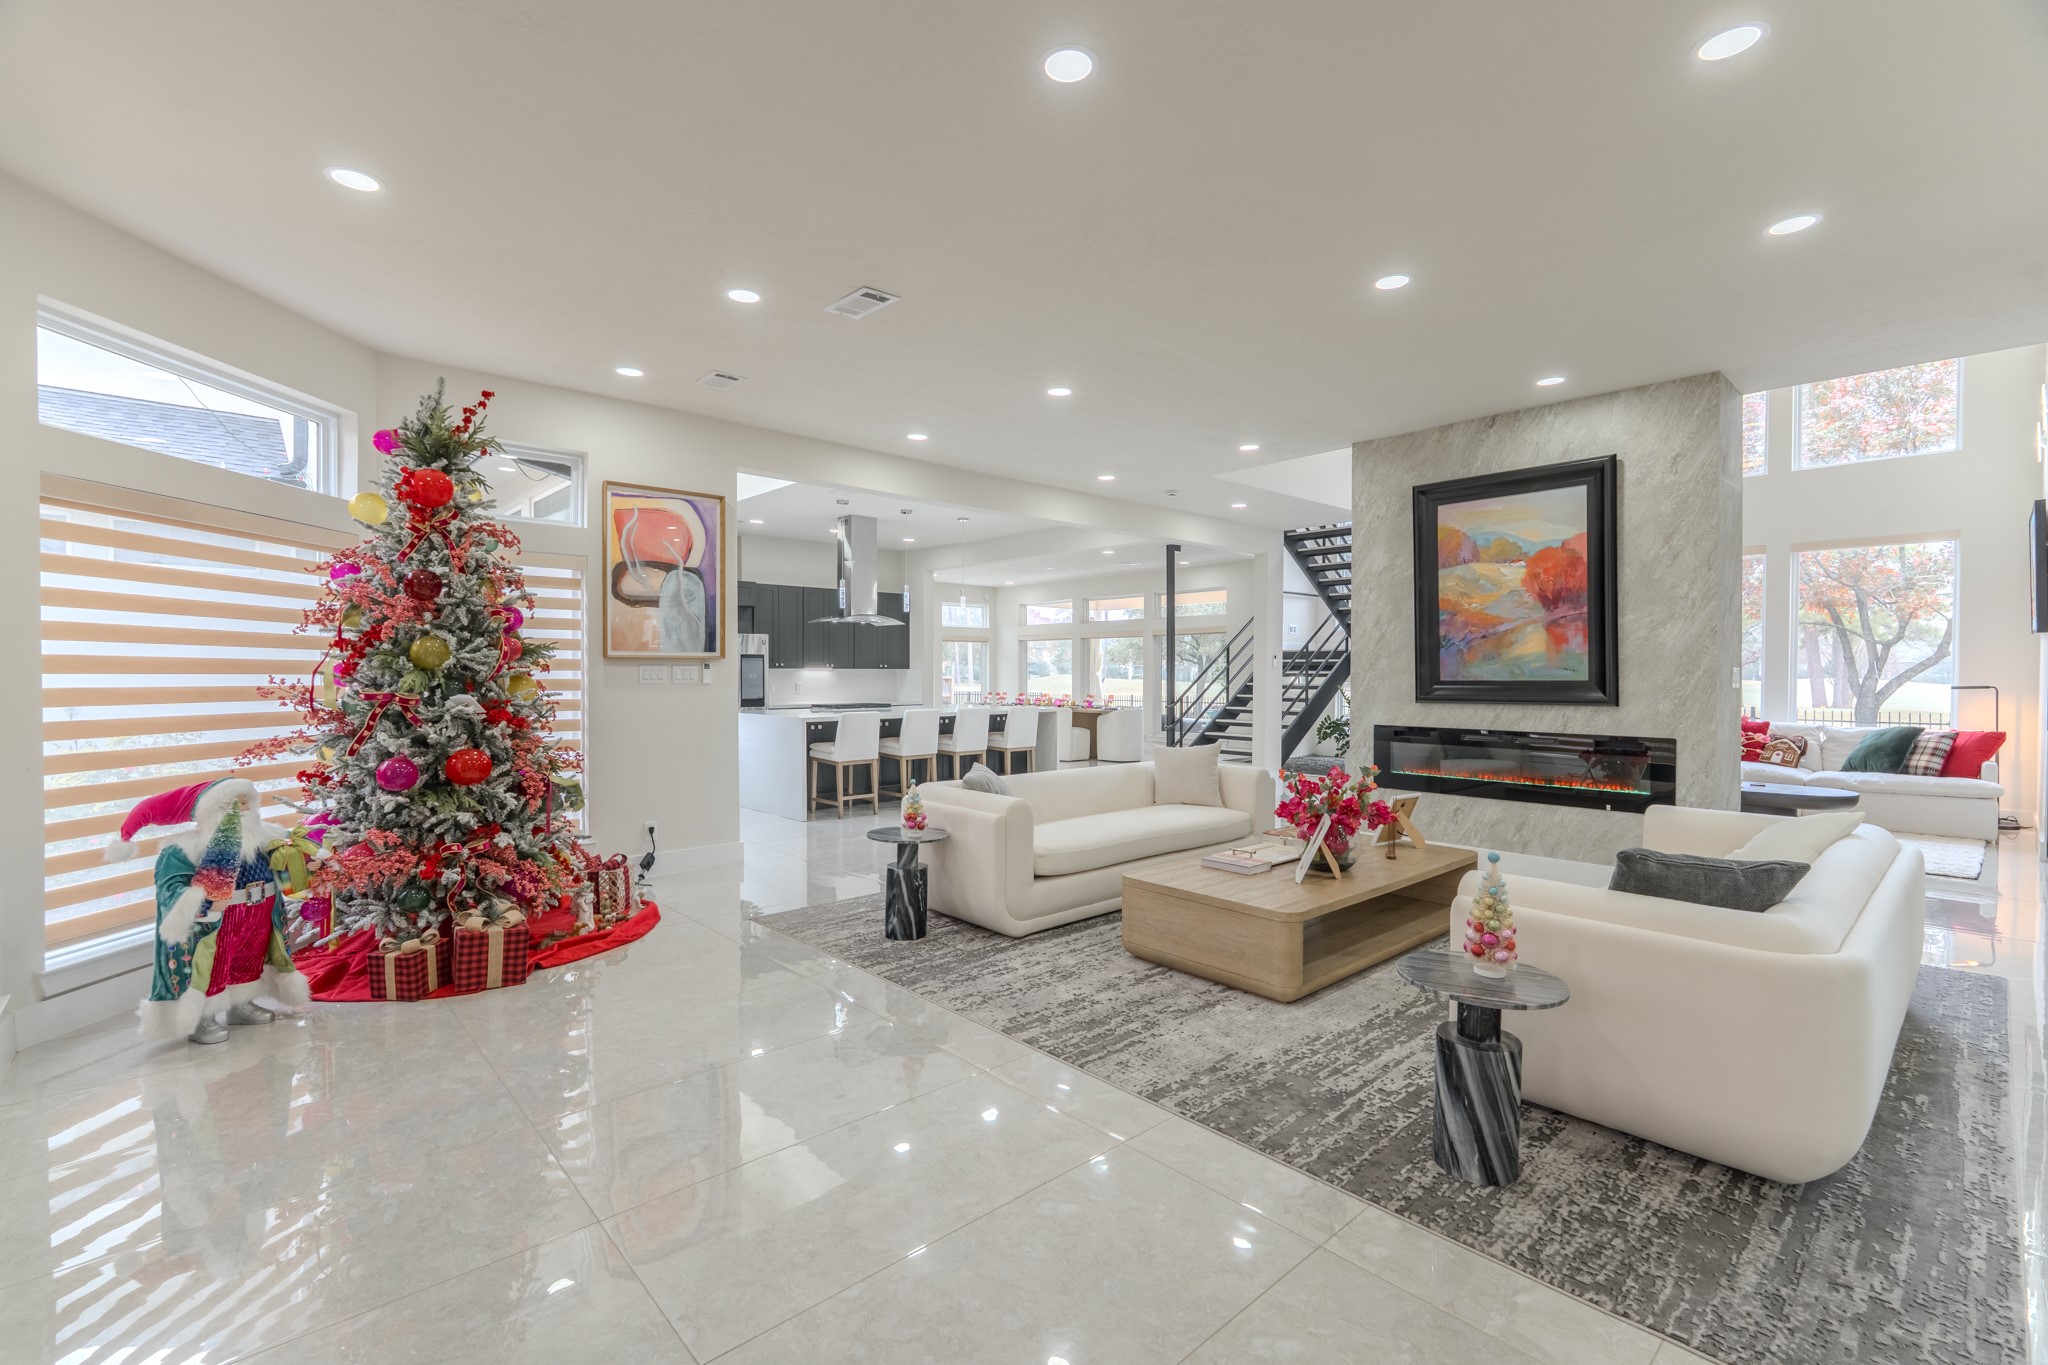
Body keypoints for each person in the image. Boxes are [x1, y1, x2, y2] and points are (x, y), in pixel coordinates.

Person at [106, 777, 314, 1043]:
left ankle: (242, 1003)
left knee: (249, 962)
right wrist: (204, 903)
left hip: (259, 915)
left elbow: (288, 861)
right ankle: (201, 1017)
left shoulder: (269, 837)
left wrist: (307, 866)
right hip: (218, 920)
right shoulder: (184, 849)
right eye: (233, 804)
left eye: (245, 802)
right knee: (210, 966)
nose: (242, 809)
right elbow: (170, 889)